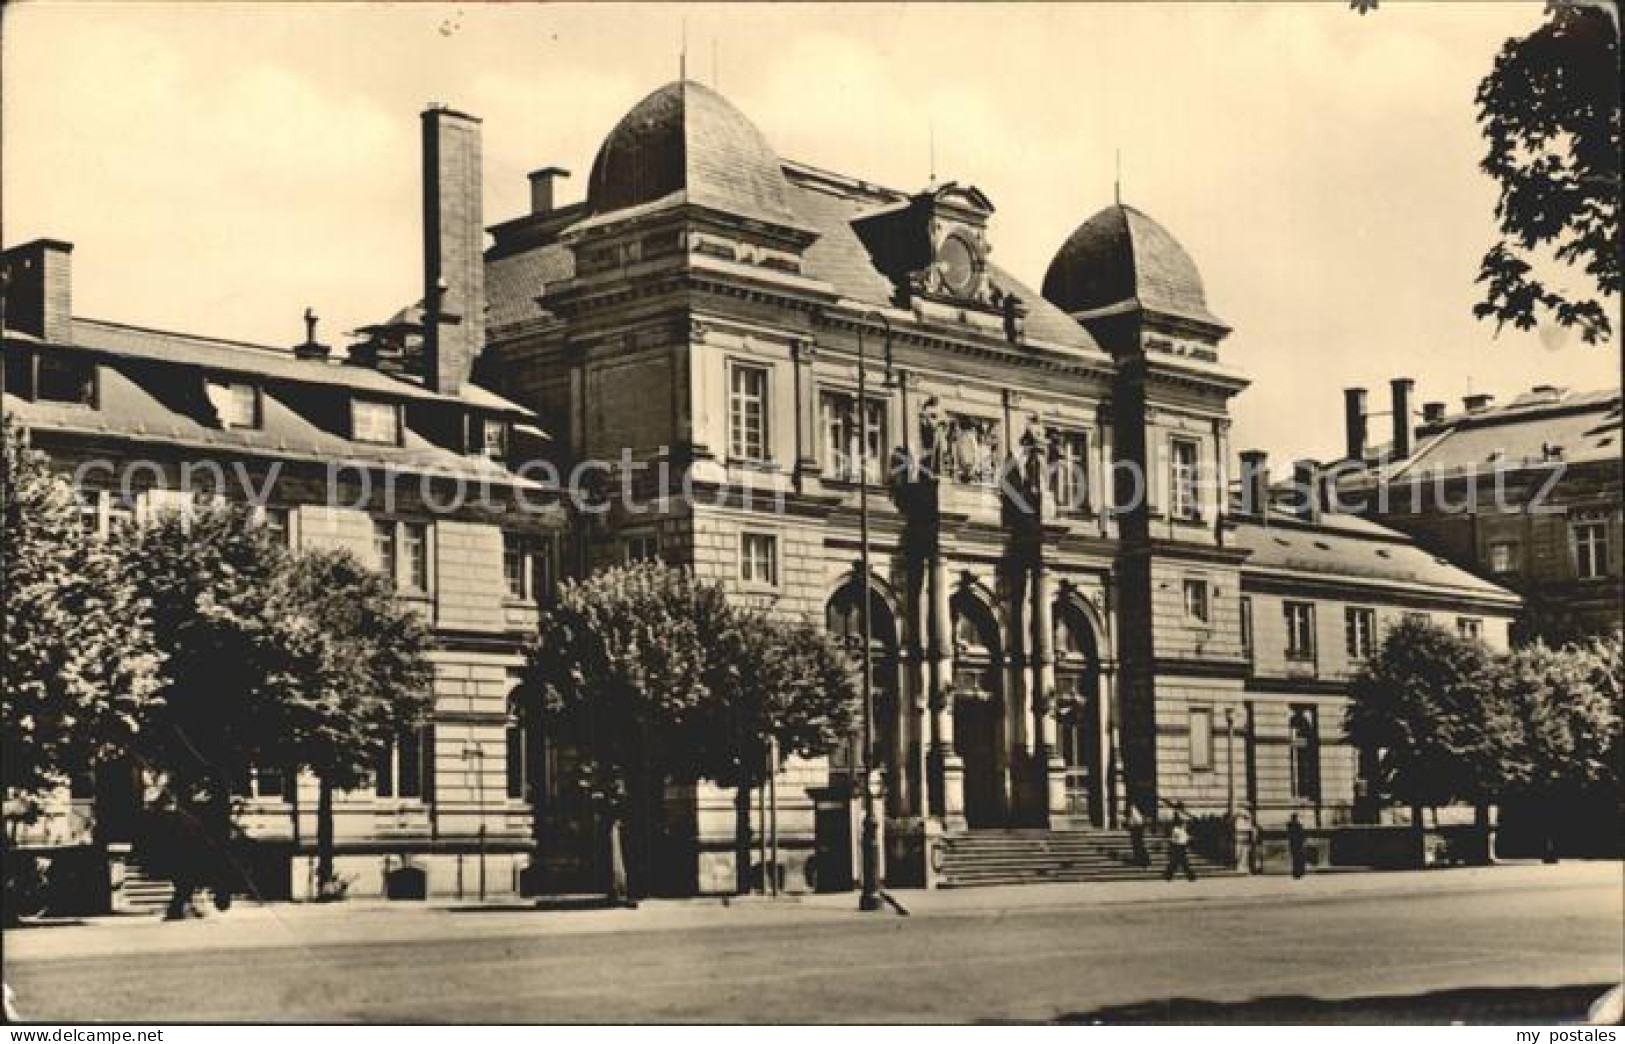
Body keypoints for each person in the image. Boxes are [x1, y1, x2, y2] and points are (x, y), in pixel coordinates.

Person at [1164, 814, 1196, 882]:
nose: (1184, 824)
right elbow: (1180, 838)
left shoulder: (1179, 830)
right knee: (1180, 863)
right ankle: (1190, 876)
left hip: (1178, 847)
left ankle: (1168, 875)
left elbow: (1183, 837)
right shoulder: (1177, 830)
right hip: (1179, 847)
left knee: (1176, 863)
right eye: (1183, 823)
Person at [1126, 802, 1149, 867]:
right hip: (1137, 829)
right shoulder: (1134, 810)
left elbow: (1138, 821)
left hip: (1136, 829)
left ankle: (1143, 860)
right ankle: (1141, 859)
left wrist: (1131, 825)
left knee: (1138, 845)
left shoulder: (1133, 810)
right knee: (1138, 845)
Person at [1287, 813, 1308, 879]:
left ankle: (1297, 870)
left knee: (1295, 859)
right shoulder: (1298, 825)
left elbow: (1290, 836)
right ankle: (1299, 871)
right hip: (1298, 844)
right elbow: (1302, 835)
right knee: (1298, 858)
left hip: (1293, 844)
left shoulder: (1290, 826)